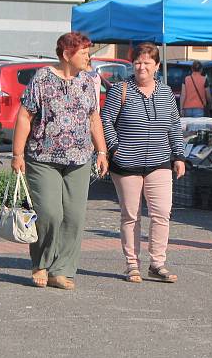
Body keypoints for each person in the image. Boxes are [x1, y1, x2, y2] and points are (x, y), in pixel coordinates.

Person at [11, 32, 108, 290]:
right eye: (83, 51)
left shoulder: (88, 81)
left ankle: (61, 270)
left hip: (79, 159)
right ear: (67, 54)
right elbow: (24, 117)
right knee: (50, 214)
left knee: (74, 217)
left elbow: (94, 118)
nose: (88, 55)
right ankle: (41, 263)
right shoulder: (42, 79)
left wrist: (102, 151)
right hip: (43, 157)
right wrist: (17, 154)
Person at [101, 43, 186, 283]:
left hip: (160, 161)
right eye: (138, 62)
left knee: (162, 214)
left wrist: (178, 156)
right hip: (126, 163)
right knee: (131, 215)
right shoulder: (121, 89)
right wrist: (115, 148)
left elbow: (173, 125)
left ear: (157, 66)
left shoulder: (166, 92)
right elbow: (106, 120)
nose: (142, 67)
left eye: (148, 63)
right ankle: (132, 264)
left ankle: (157, 263)